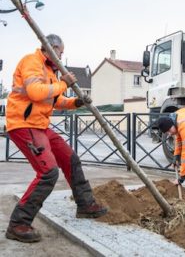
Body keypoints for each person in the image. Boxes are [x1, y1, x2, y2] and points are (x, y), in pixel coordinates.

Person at [5, 34, 108, 243]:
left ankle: (85, 205)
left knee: (70, 158)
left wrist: (76, 102)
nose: (61, 57)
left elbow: (56, 100)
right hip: (24, 125)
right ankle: (18, 224)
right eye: (60, 53)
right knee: (48, 173)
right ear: (51, 48)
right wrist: (63, 83)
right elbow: (35, 92)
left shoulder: (51, 71)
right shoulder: (31, 61)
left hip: (40, 125)